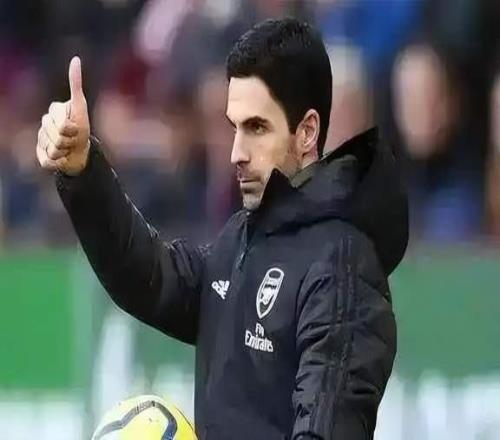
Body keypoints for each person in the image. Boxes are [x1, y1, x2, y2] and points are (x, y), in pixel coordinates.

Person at [36, 18, 408, 440]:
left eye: (256, 128)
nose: (236, 153)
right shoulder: (241, 239)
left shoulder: (342, 266)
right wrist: (83, 169)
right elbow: (151, 277)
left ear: (307, 131)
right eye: (235, 127)